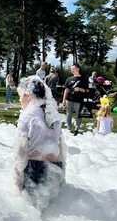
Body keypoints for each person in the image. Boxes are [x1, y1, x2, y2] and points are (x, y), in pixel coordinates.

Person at [13, 75, 66, 210]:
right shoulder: (53, 114)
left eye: (20, 95)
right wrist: (63, 174)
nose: (19, 99)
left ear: (28, 95)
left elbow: (21, 149)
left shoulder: (27, 116)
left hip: (36, 169)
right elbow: (61, 148)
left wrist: (17, 177)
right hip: (56, 168)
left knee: (33, 213)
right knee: (54, 213)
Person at [62, 63, 89, 135]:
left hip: (79, 99)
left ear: (78, 69)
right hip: (69, 99)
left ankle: (77, 129)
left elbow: (87, 90)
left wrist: (80, 89)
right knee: (68, 114)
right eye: (71, 69)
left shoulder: (84, 79)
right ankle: (69, 128)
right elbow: (66, 90)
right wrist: (64, 99)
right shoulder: (69, 78)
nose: (72, 70)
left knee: (78, 114)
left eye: (73, 69)